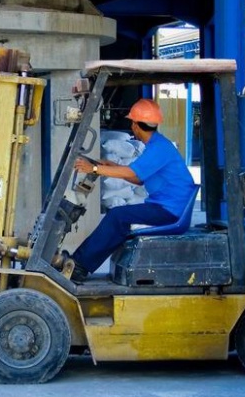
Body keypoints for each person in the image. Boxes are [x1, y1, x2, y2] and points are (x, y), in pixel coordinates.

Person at [67, 98, 196, 283]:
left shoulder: (159, 148)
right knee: (119, 217)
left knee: (117, 216)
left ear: (135, 125)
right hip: (167, 206)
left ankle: (79, 265)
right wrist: (110, 166)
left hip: (170, 210)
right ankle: (81, 261)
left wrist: (94, 169)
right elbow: (137, 178)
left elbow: (130, 172)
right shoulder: (156, 145)